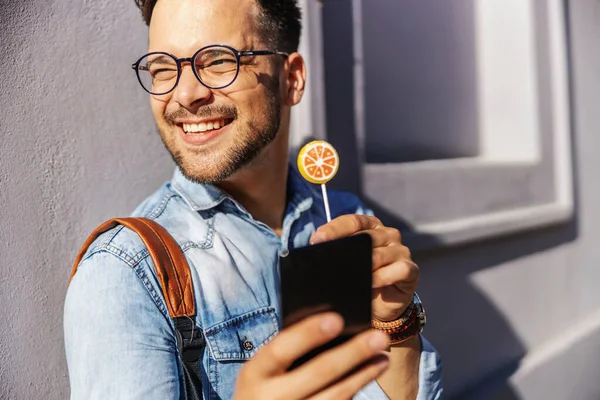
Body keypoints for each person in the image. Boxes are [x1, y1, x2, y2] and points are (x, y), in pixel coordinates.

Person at [63, 0, 443, 398]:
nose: (186, 93)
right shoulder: (124, 274)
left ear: (291, 79)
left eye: (217, 61)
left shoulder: (345, 217)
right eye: (162, 68)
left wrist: (395, 325)